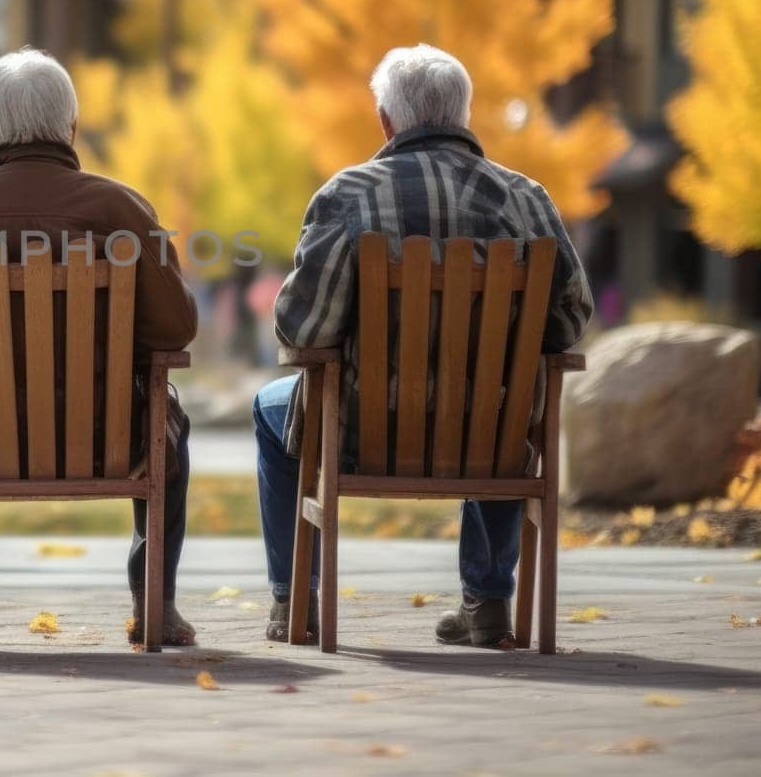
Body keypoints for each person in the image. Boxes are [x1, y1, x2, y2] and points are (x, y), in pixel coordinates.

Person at [253, 44, 593, 646]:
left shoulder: (349, 194)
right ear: (464, 114)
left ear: (386, 120)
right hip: (492, 428)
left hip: (363, 427)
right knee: (500, 399)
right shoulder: (527, 199)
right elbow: (569, 322)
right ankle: (488, 601)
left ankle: (294, 603)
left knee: (271, 409)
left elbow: (302, 329)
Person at [0, 48, 199, 646]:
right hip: (109, 437)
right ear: (71, 127)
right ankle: (154, 598)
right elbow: (175, 330)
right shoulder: (121, 209)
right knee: (169, 418)